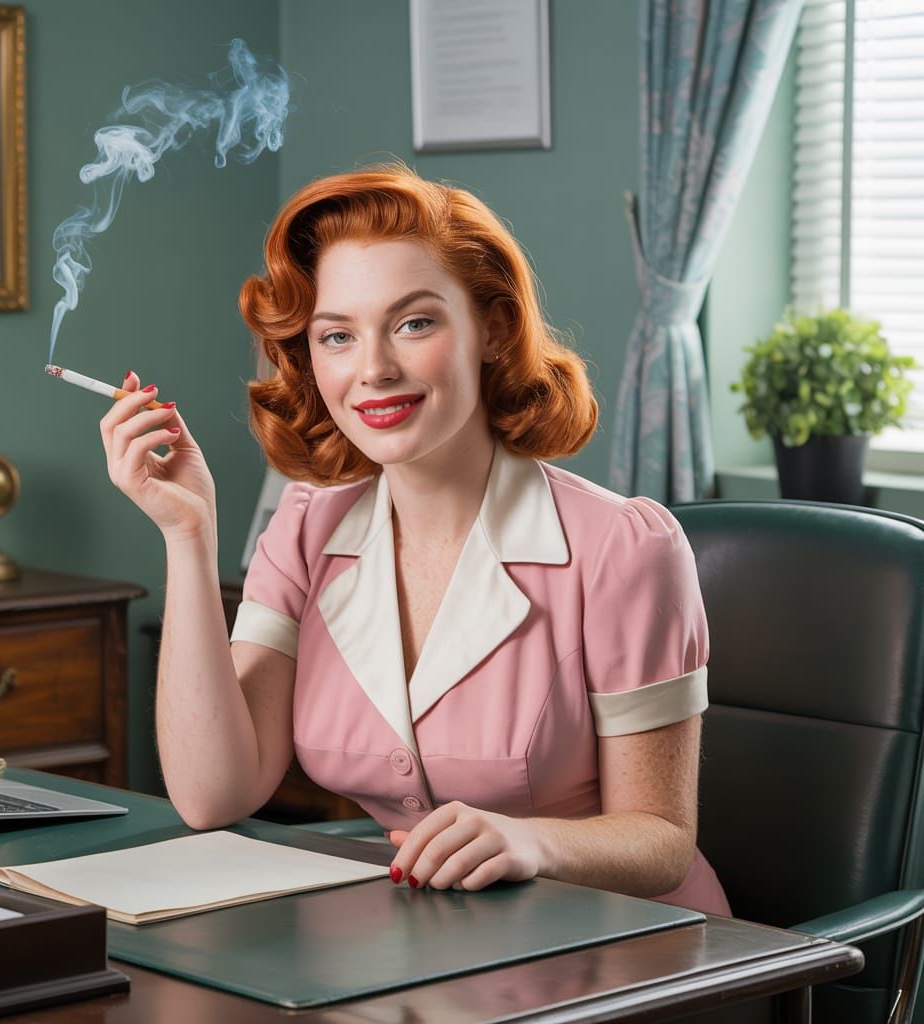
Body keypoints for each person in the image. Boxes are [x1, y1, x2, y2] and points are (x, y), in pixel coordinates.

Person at [100, 163, 730, 915]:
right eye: (337, 336)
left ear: (494, 328)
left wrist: (533, 843)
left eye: (414, 324)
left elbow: (663, 841)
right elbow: (213, 794)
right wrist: (188, 534)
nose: (373, 369)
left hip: (626, 944)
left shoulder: (625, 549)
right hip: (422, 943)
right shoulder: (305, 530)